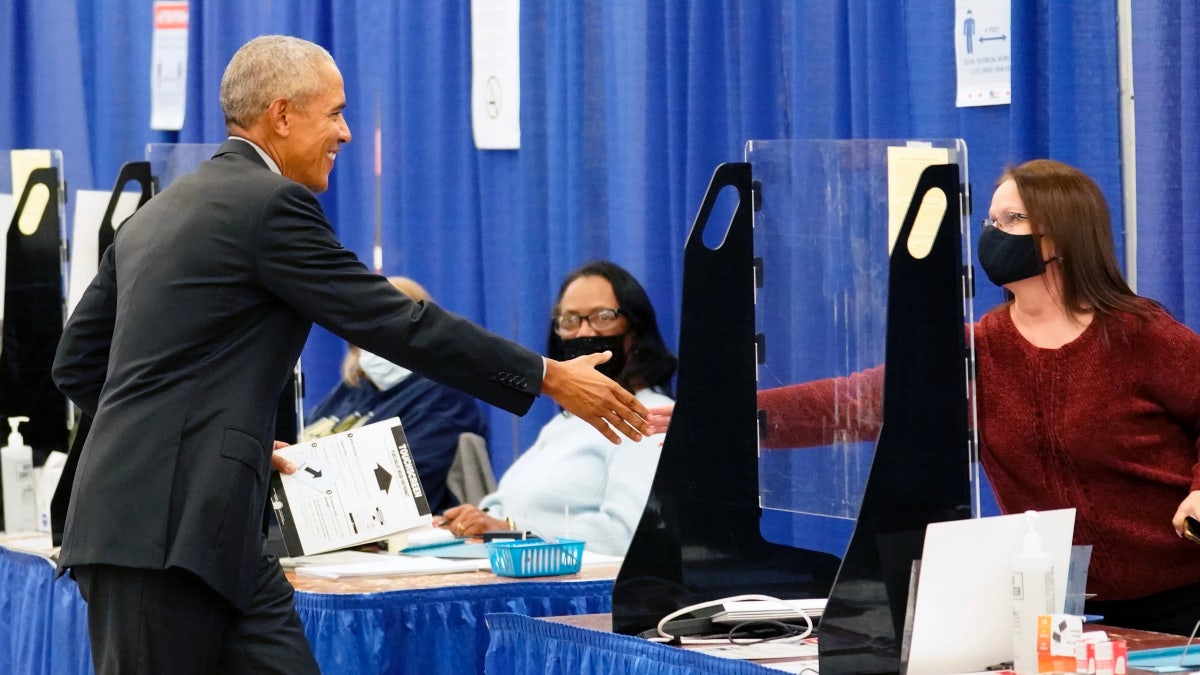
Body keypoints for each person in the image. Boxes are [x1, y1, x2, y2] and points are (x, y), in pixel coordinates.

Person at [51, 35, 647, 674]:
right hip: (157, 533)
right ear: (282, 116)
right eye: (334, 112)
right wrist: (548, 375)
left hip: (217, 529)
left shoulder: (155, 214)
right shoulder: (271, 205)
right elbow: (397, 324)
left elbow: (79, 364)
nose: (348, 132)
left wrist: (211, 439)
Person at [648, 159, 1200, 636]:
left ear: (1062, 235)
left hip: (1183, 600)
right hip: (1060, 611)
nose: (992, 233)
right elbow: (851, 402)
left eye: (1012, 220)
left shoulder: (1138, 335)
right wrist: (713, 417)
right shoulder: (976, 350)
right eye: (989, 220)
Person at [441, 261, 677, 556]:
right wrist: (468, 521)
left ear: (637, 330)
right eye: (569, 321)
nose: (582, 333)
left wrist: (512, 531)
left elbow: (629, 535)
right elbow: (504, 505)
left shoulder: (652, 418)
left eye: (602, 317)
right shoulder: (565, 423)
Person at [305, 276, 489, 514]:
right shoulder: (349, 391)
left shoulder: (444, 398)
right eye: (362, 321)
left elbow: (398, 489)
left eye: (386, 322)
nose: (372, 334)